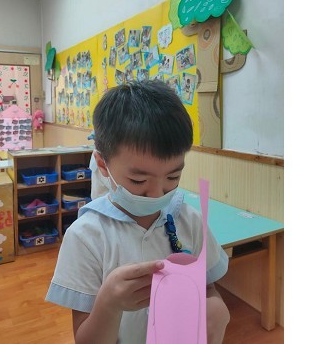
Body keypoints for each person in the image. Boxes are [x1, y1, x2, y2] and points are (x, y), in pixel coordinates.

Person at [45, 80, 230, 343]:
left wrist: (214, 306)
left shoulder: (189, 221)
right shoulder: (86, 237)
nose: (157, 194)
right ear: (103, 165)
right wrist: (109, 302)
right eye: (139, 180)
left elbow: (208, 287)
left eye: (173, 177)